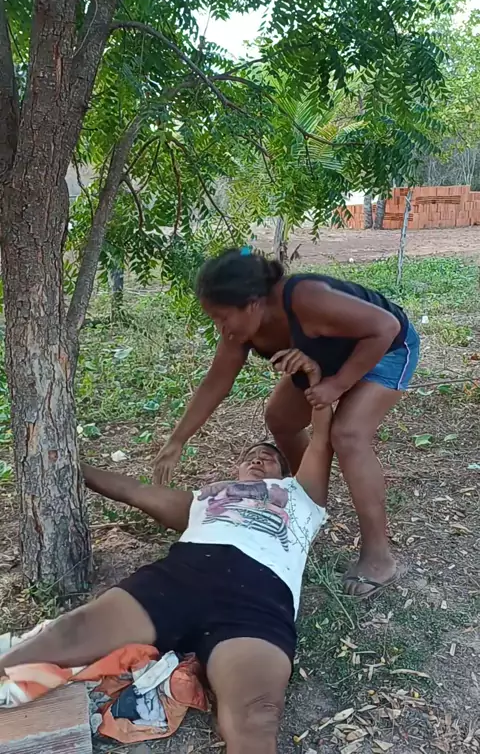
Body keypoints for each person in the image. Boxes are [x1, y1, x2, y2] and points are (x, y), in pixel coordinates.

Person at [0, 363, 328, 754]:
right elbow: (134, 492)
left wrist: (318, 384)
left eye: (269, 458)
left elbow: (321, 440)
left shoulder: (303, 497)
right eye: (251, 456)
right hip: (182, 577)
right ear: (236, 468)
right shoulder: (207, 498)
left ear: (286, 472)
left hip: (259, 601)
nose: (258, 460)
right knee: (66, 633)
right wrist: (65, 462)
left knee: (257, 716)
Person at [154, 248, 420, 599]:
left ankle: (379, 557)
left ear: (253, 304)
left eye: (222, 317)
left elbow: (386, 327)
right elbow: (216, 382)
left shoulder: (305, 297)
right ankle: (307, 502)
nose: (221, 328)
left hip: (385, 350)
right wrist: (177, 440)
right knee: (280, 418)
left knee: (347, 434)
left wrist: (337, 385)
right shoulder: (240, 331)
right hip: (324, 357)